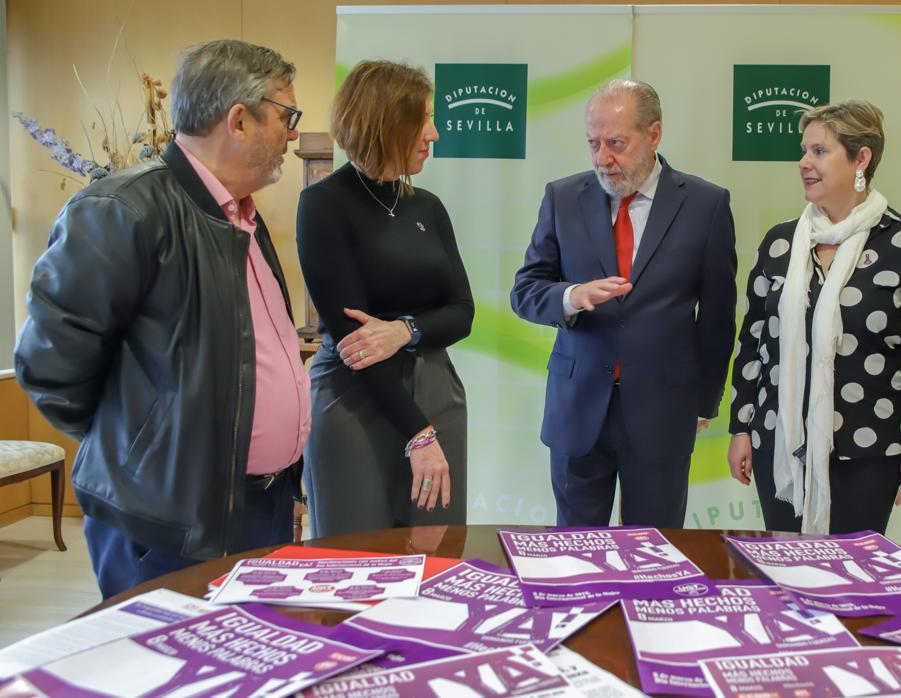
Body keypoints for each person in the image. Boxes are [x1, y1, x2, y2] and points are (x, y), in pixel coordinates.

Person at [14, 40, 308, 598]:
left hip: (256, 507)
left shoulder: (243, 215)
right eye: (287, 114)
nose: (293, 133)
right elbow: (49, 365)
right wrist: (143, 452)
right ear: (239, 120)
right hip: (167, 523)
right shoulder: (123, 211)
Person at [511, 79, 737, 527]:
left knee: (655, 552)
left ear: (653, 135)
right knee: (576, 556)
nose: (602, 159)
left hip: (663, 412)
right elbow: (526, 291)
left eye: (616, 143)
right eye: (593, 144)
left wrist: (703, 402)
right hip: (577, 411)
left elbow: (717, 317)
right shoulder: (562, 197)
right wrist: (572, 296)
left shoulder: (706, 205)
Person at [726, 101, 901, 535]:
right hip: (779, 444)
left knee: (851, 578)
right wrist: (741, 427)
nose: (804, 163)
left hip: (867, 450)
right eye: (804, 151)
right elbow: (753, 344)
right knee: (786, 571)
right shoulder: (780, 243)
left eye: (819, 152)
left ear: (861, 158)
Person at [296, 61, 472, 537]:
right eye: (424, 120)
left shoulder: (427, 207)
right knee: (354, 560)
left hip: (436, 388)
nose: (434, 133)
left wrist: (405, 330)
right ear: (385, 123)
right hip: (355, 396)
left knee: (437, 555)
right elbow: (353, 339)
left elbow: (463, 313)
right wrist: (418, 433)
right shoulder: (323, 205)